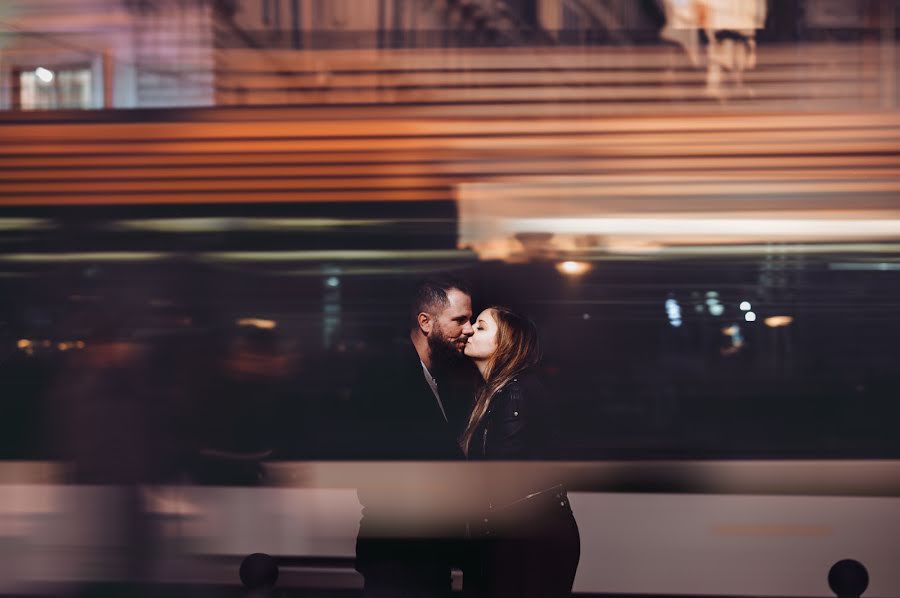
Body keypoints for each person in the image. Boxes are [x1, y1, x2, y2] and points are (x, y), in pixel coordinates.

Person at [352, 275, 477, 598]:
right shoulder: (389, 378)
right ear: (426, 322)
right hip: (400, 557)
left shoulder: (436, 378)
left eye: (471, 320)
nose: (469, 329)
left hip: (424, 555)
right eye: (459, 320)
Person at [461, 306, 580, 598]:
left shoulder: (516, 392)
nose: (469, 330)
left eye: (481, 326)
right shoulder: (493, 393)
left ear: (503, 345)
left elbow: (500, 476)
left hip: (529, 542)